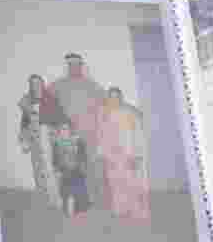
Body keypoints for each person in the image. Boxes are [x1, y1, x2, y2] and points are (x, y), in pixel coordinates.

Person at [41, 52, 108, 209]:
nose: (74, 68)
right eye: (70, 65)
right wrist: (52, 126)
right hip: (66, 135)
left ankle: (91, 198)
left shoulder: (93, 85)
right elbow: (44, 100)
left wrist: (101, 128)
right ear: (67, 67)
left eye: (77, 65)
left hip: (88, 134)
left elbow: (106, 105)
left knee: (89, 166)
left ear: (82, 66)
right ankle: (67, 199)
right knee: (66, 168)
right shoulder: (58, 84)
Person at [96, 87, 150, 222]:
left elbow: (137, 134)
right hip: (111, 155)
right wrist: (103, 154)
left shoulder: (129, 113)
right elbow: (101, 135)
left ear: (121, 98)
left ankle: (137, 210)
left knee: (131, 183)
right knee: (114, 182)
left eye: (116, 97)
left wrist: (136, 154)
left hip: (127, 153)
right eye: (111, 97)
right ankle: (120, 208)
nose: (113, 100)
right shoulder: (103, 114)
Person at [17, 74, 58, 206]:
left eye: (38, 83)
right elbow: (24, 121)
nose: (36, 86)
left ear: (42, 84)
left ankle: (54, 198)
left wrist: (57, 134)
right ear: (30, 85)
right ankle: (42, 198)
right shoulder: (27, 101)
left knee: (50, 168)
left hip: (48, 137)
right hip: (34, 137)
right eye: (33, 83)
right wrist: (24, 140)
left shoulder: (50, 99)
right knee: (37, 168)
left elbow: (58, 118)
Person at [50, 122, 90, 217]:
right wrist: (57, 170)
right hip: (64, 171)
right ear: (59, 131)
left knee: (78, 190)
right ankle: (68, 208)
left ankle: (78, 208)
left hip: (76, 170)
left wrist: (82, 166)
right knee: (65, 191)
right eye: (62, 129)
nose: (64, 131)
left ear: (70, 130)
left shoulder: (77, 141)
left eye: (66, 129)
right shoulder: (57, 143)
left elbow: (83, 156)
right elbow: (55, 159)